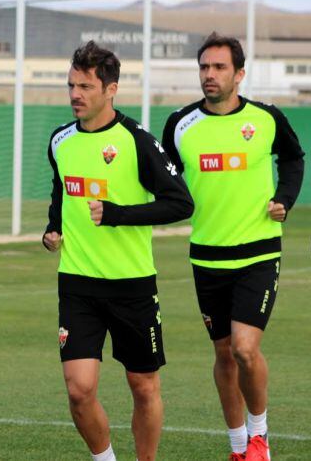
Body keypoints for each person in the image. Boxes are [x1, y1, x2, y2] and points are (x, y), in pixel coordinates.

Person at [43, 41, 193, 461]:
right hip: (77, 284)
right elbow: (62, 192)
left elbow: (180, 203)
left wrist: (117, 214)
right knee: (79, 389)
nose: (75, 94)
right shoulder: (60, 141)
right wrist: (53, 228)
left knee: (143, 387)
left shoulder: (137, 141)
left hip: (132, 285)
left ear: (111, 89)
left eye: (86, 86)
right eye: (71, 85)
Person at [161, 32, 305, 461]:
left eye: (219, 67)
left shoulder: (266, 118)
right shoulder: (180, 124)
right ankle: (239, 446)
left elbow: (294, 159)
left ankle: (260, 435)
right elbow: (164, 178)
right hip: (206, 254)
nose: (210, 74)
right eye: (204, 67)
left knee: (245, 348)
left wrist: (285, 199)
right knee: (223, 352)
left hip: (258, 251)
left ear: (239, 74)